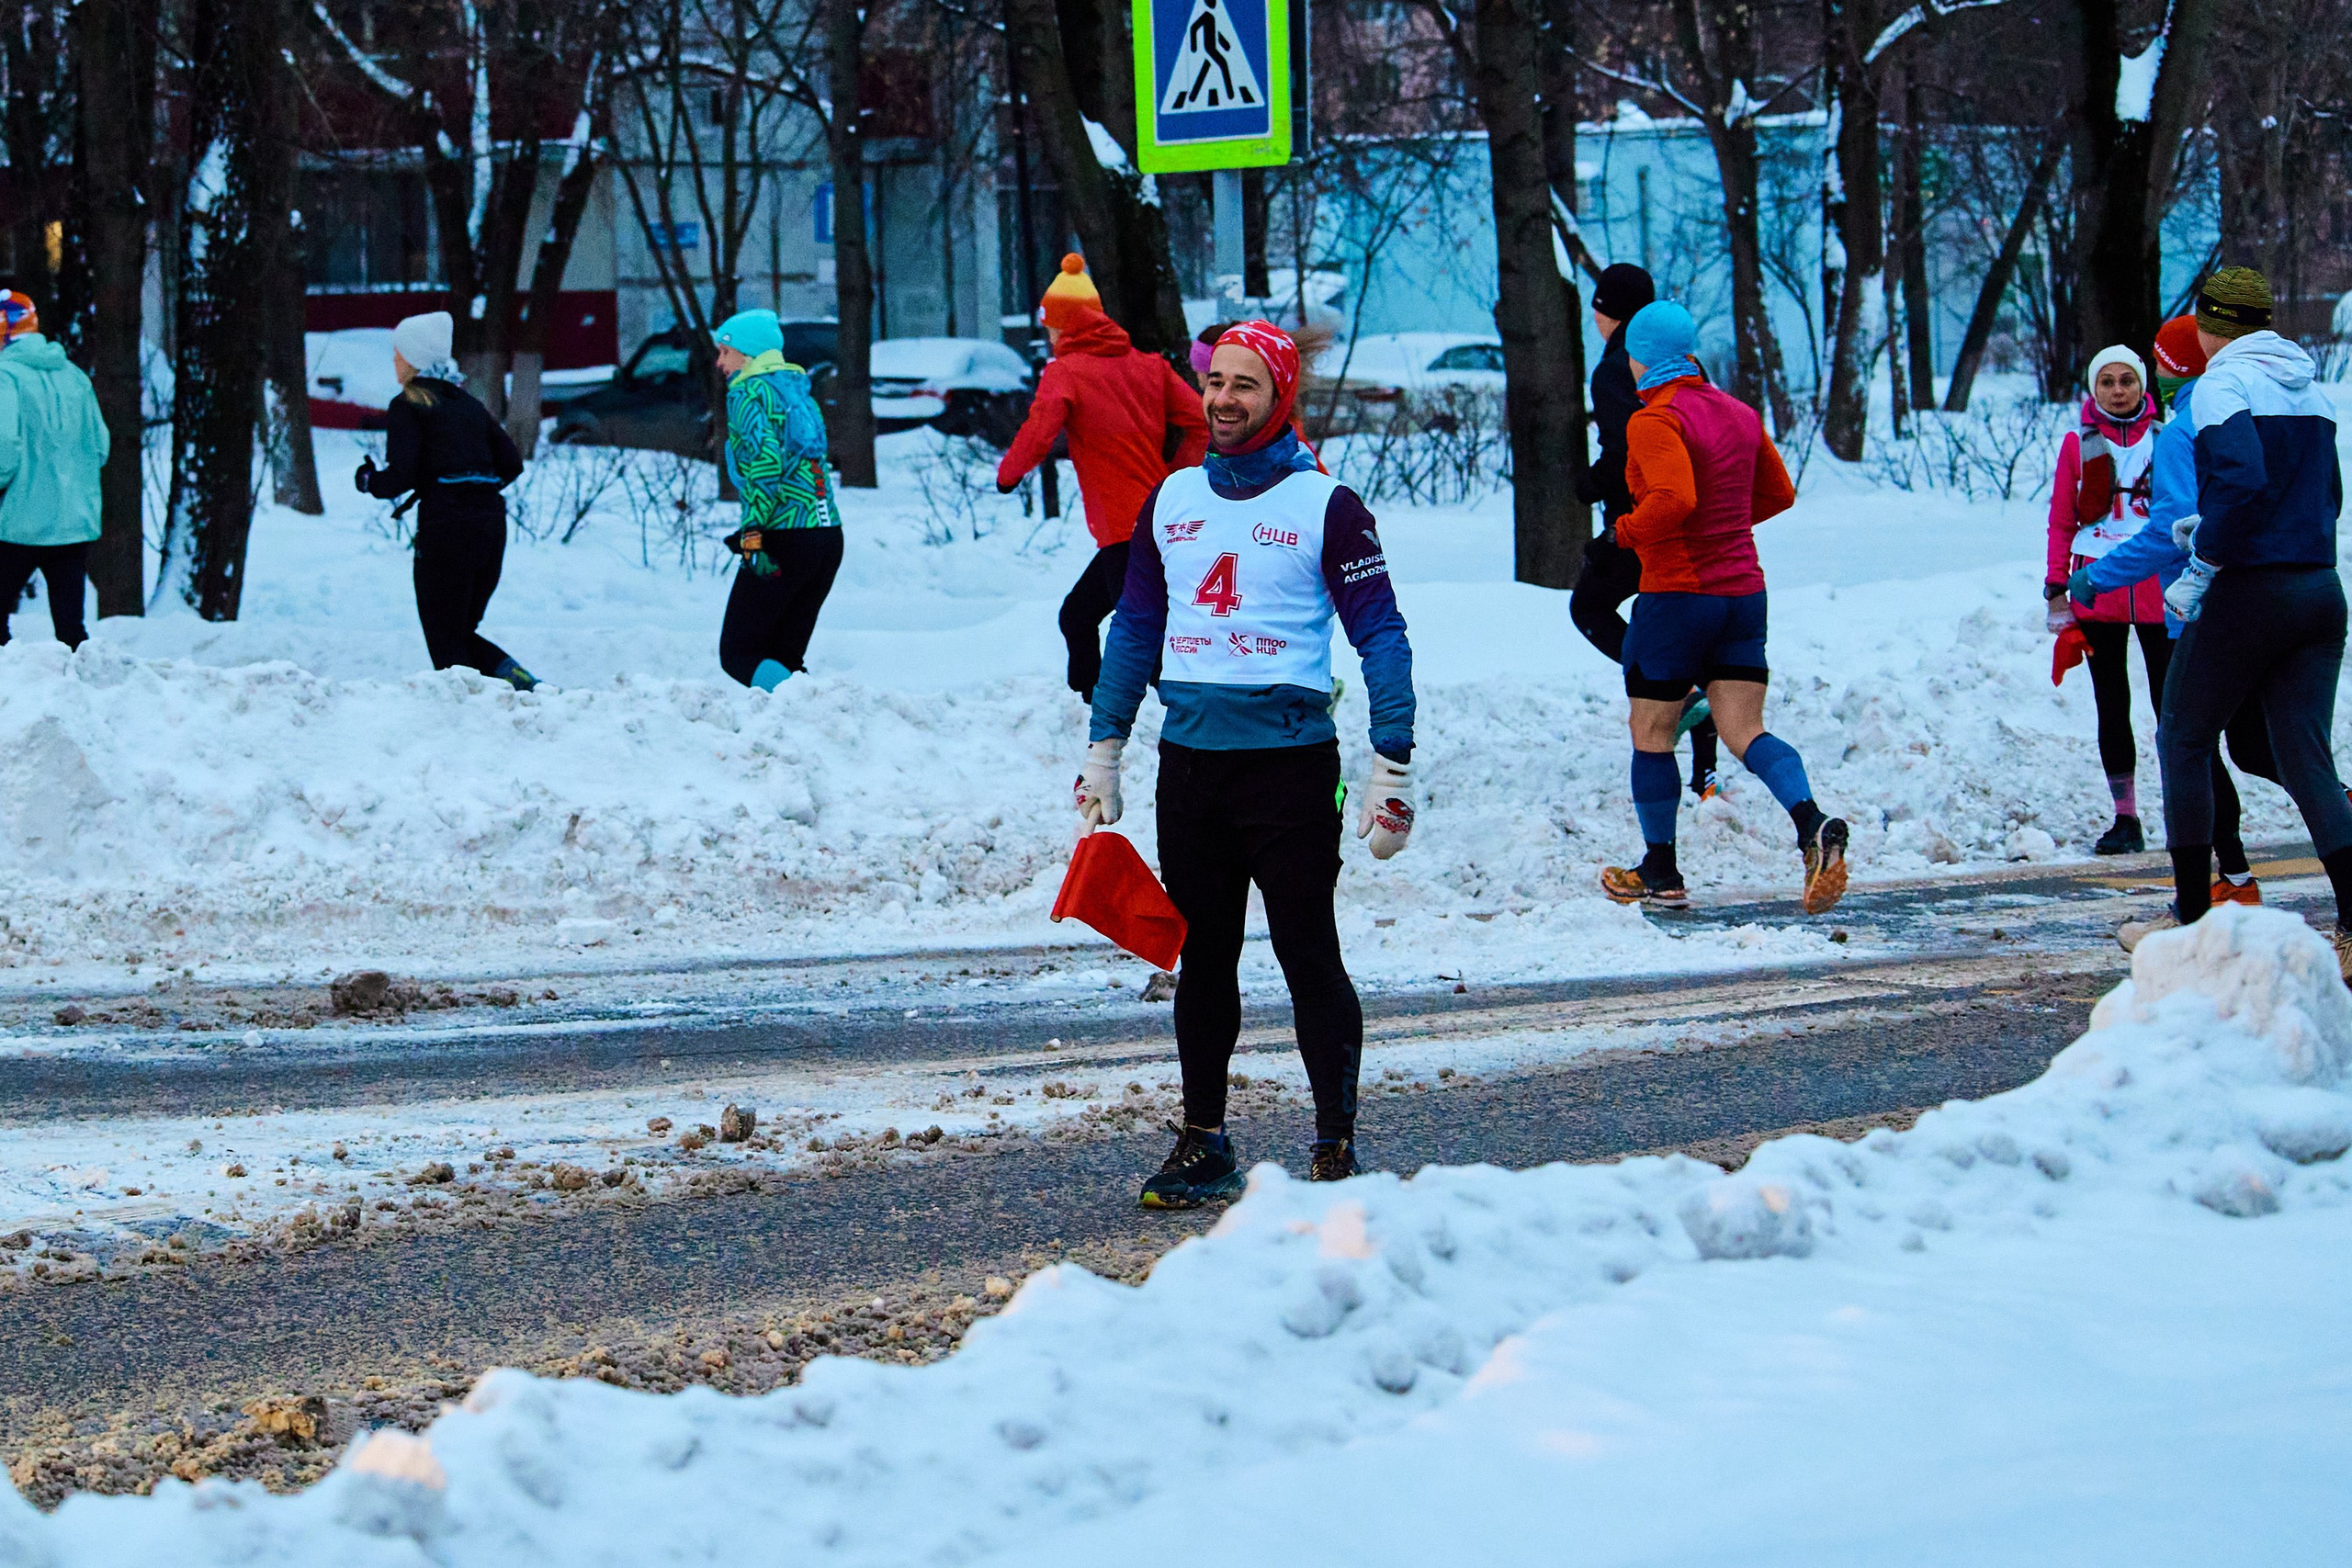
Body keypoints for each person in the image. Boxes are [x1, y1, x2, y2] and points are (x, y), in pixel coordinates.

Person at [1078, 320, 1416, 1207]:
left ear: (1280, 397)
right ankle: (1204, 1141)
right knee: (1205, 958)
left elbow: (1381, 634)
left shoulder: (1327, 506)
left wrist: (1394, 763)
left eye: (1245, 386)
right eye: (1215, 382)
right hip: (1191, 767)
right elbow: (1137, 630)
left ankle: (1336, 1143)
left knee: (1309, 952)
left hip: (1290, 769)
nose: (1223, 400)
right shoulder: (1173, 498)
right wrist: (1103, 745)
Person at [2120, 268, 2352, 973]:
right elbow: (2330, 494)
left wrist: (2202, 563)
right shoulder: (2309, 386)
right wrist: (2226, 524)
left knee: (2184, 736)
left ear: (2209, 323)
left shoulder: (2223, 381)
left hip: (2249, 592)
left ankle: (2191, 922)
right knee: (2304, 756)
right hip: (2319, 589)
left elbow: (2244, 479)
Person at [1597, 301, 1849, 914]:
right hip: (1743, 596)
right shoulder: (1737, 412)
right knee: (1745, 730)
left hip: (1677, 596)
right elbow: (1779, 493)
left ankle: (1660, 869)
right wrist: (1725, 525)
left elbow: (1675, 498)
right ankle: (1811, 823)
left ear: (1641, 357)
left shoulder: (1653, 420)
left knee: (1651, 732)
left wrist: (1622, 534)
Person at [2073, 316, 2284, 915]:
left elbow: (2171, 534)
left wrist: (2095, 575)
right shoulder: (2250, 414)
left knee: (2186, 743)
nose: (2148, 379)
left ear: (2172, 369)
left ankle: (2206, 896)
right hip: (2262, 598)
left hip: (2196, 610)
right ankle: (2256, 864)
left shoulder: (2177, 433)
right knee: (2251, 744)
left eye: (2155, 366)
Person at [997, 254, 1209, 703]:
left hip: (1123, 527)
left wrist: (1008, 475)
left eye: (1052, 327)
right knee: (1077, 616)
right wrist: (1174, 476)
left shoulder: (1066, 372)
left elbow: (1039, 429)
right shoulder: (1149, 367)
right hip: (1159, 518)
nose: (1050, 337)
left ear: (1067, 326)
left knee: (1144, 637)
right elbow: (1203, 423)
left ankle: (1187, 718)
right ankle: (1088, 708)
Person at [1570, 264, 1721, 798]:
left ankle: (1678, 693)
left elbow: (1625, 445)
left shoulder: (1616, 369)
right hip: (1689, 519)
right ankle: (1706, 768)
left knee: (1588, 608)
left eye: (1597, 306)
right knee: (1669, 622)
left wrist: (1588, 484)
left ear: (1607, 311)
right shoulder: (1688, 364)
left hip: (1642, 518)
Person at [356, 310, 537, 690]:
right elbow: (512, 463)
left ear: (416, 360)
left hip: (446, 530)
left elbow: (399, 477)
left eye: (399, 354)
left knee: (445, 640)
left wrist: (369, 480)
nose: (394, 361)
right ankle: (515, 680)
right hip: (490, 527)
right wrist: (474, 488)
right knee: (459, 632)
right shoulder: (468, 404)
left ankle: (471, 719)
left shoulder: (409, 404)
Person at [2046, 344, 2168, 854]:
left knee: (2174, 706)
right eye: (2107, 382)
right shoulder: (2078, 443)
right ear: (2094, 389)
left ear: (2143, 386)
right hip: (2097, 583)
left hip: (2161, 584)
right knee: (2111, 703)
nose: (2118, 391)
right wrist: (2056, 589)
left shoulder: (2168, 438)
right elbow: (2061, 519)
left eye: (2127, 381)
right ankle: (2126, 817)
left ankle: (2191, 808)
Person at [712, 309, 842, 691]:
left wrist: (752, 534)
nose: (720, 362)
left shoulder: (748, 393)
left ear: (747, 354)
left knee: (739, 654)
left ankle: (810, 717)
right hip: (827, 536)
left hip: (783, 538)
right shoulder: (796, 389)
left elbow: (765, 466)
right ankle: (804, 728)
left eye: (725, 352)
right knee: (783, 656)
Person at [0, 291, 107, 650]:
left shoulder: (5, 376)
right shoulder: (75, 377)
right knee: (71, 629)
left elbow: (3, 448)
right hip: (74, 523)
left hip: (17, 524)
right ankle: (86, 694)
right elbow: (100, 446)